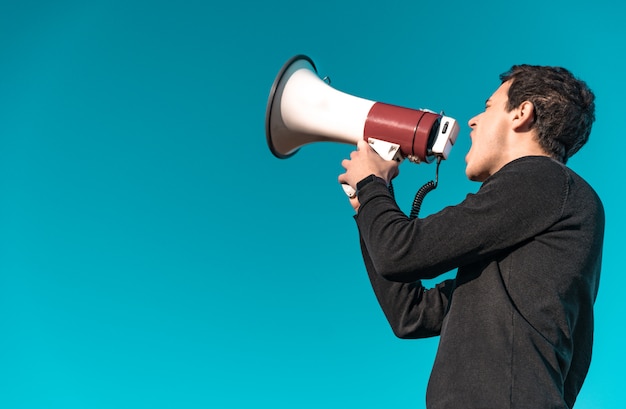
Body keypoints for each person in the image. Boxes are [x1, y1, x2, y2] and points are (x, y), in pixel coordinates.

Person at [338, 65, 604, 409]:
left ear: (522, 114)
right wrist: (367, 205)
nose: (474, 121)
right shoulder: (523, 245)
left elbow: (399, 252)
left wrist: (372, 185)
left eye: (489, 107)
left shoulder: (545, 179)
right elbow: (411, 314)